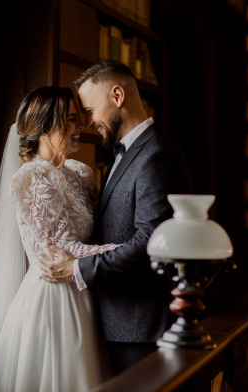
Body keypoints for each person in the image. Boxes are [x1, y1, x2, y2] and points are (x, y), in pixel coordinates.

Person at [39, 59, 193, 374]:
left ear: (117, 96)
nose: (88, 122)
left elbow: (151, 243)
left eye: (90, 111)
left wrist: (77, 267)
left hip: (142, 329)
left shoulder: (156, 156)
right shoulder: (127, 154)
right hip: (121, 325)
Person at [0, 86, 120, 392]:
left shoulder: (79, 174)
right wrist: (129, 251)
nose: (79, 127)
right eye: (70, 120)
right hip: (54, 302)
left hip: (86, 292)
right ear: (44, 129)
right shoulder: (30, 178)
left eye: (78, 118)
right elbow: (62, 248)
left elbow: (95, 234)